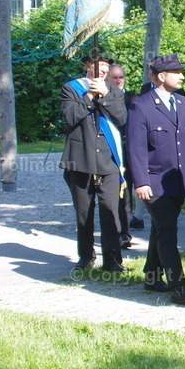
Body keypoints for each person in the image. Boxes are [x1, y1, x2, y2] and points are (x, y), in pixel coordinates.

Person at [126, 54, 185, 303]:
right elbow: (136, 149)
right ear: (162, 76)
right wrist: (141, 182)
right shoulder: (141, 106)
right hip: (154, 183)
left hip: (177, 181)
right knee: (168, 232)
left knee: (161, 228)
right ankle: (178, 286)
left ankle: (152, 278)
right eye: (177, 72)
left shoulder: (183, 104)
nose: (182, 75)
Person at [60, 49, 127, 272]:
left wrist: (105, 96)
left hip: (108, 161)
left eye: (107, 65)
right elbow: (69, 118)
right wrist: (89, 97)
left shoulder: (114, 91)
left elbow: (122, 119)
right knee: (84, 212)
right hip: (80, 159)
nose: (104, 68)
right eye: (99, 64)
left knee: (110, 211)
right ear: (87, 65)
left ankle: (112, 259)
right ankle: (86, 256)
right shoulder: (72, 88)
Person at [105, 63, 136, 249]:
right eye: (114, 77)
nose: (118, 81)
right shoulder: (100, 98)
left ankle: (125, 234)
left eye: (120, 77)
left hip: (128, 153)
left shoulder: (133, 99)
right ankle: (111, 231)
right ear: (107, 79)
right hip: (106, 152)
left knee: (125, 193)